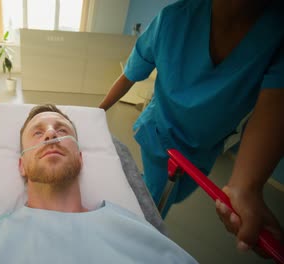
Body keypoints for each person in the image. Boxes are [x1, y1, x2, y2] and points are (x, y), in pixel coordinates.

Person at [98, 0, 283, 256]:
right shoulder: (172, 20)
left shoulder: (277, 30)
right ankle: (130, 244)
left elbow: (275, 102)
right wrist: (98, 110)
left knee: (171, 194)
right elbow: (130, 74)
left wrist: (247, 186)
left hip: (204, 149)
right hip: (161, 135)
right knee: (155, 201)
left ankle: (136, 198)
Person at [0, 104, 197, 263]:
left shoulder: (134, 231)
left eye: (62, 129)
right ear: (21, 164)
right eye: (38, 132)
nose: (51, 133)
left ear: (80, 157)